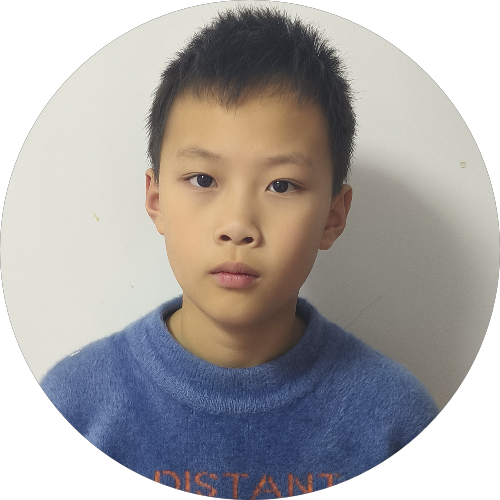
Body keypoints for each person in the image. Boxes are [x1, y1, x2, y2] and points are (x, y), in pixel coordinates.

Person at [40, 6, 438, 497]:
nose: (237, 226)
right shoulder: (77, 404)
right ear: (156, 200)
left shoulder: (394, 419)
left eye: (281, 185)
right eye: (203, 179)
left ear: (333, 217)